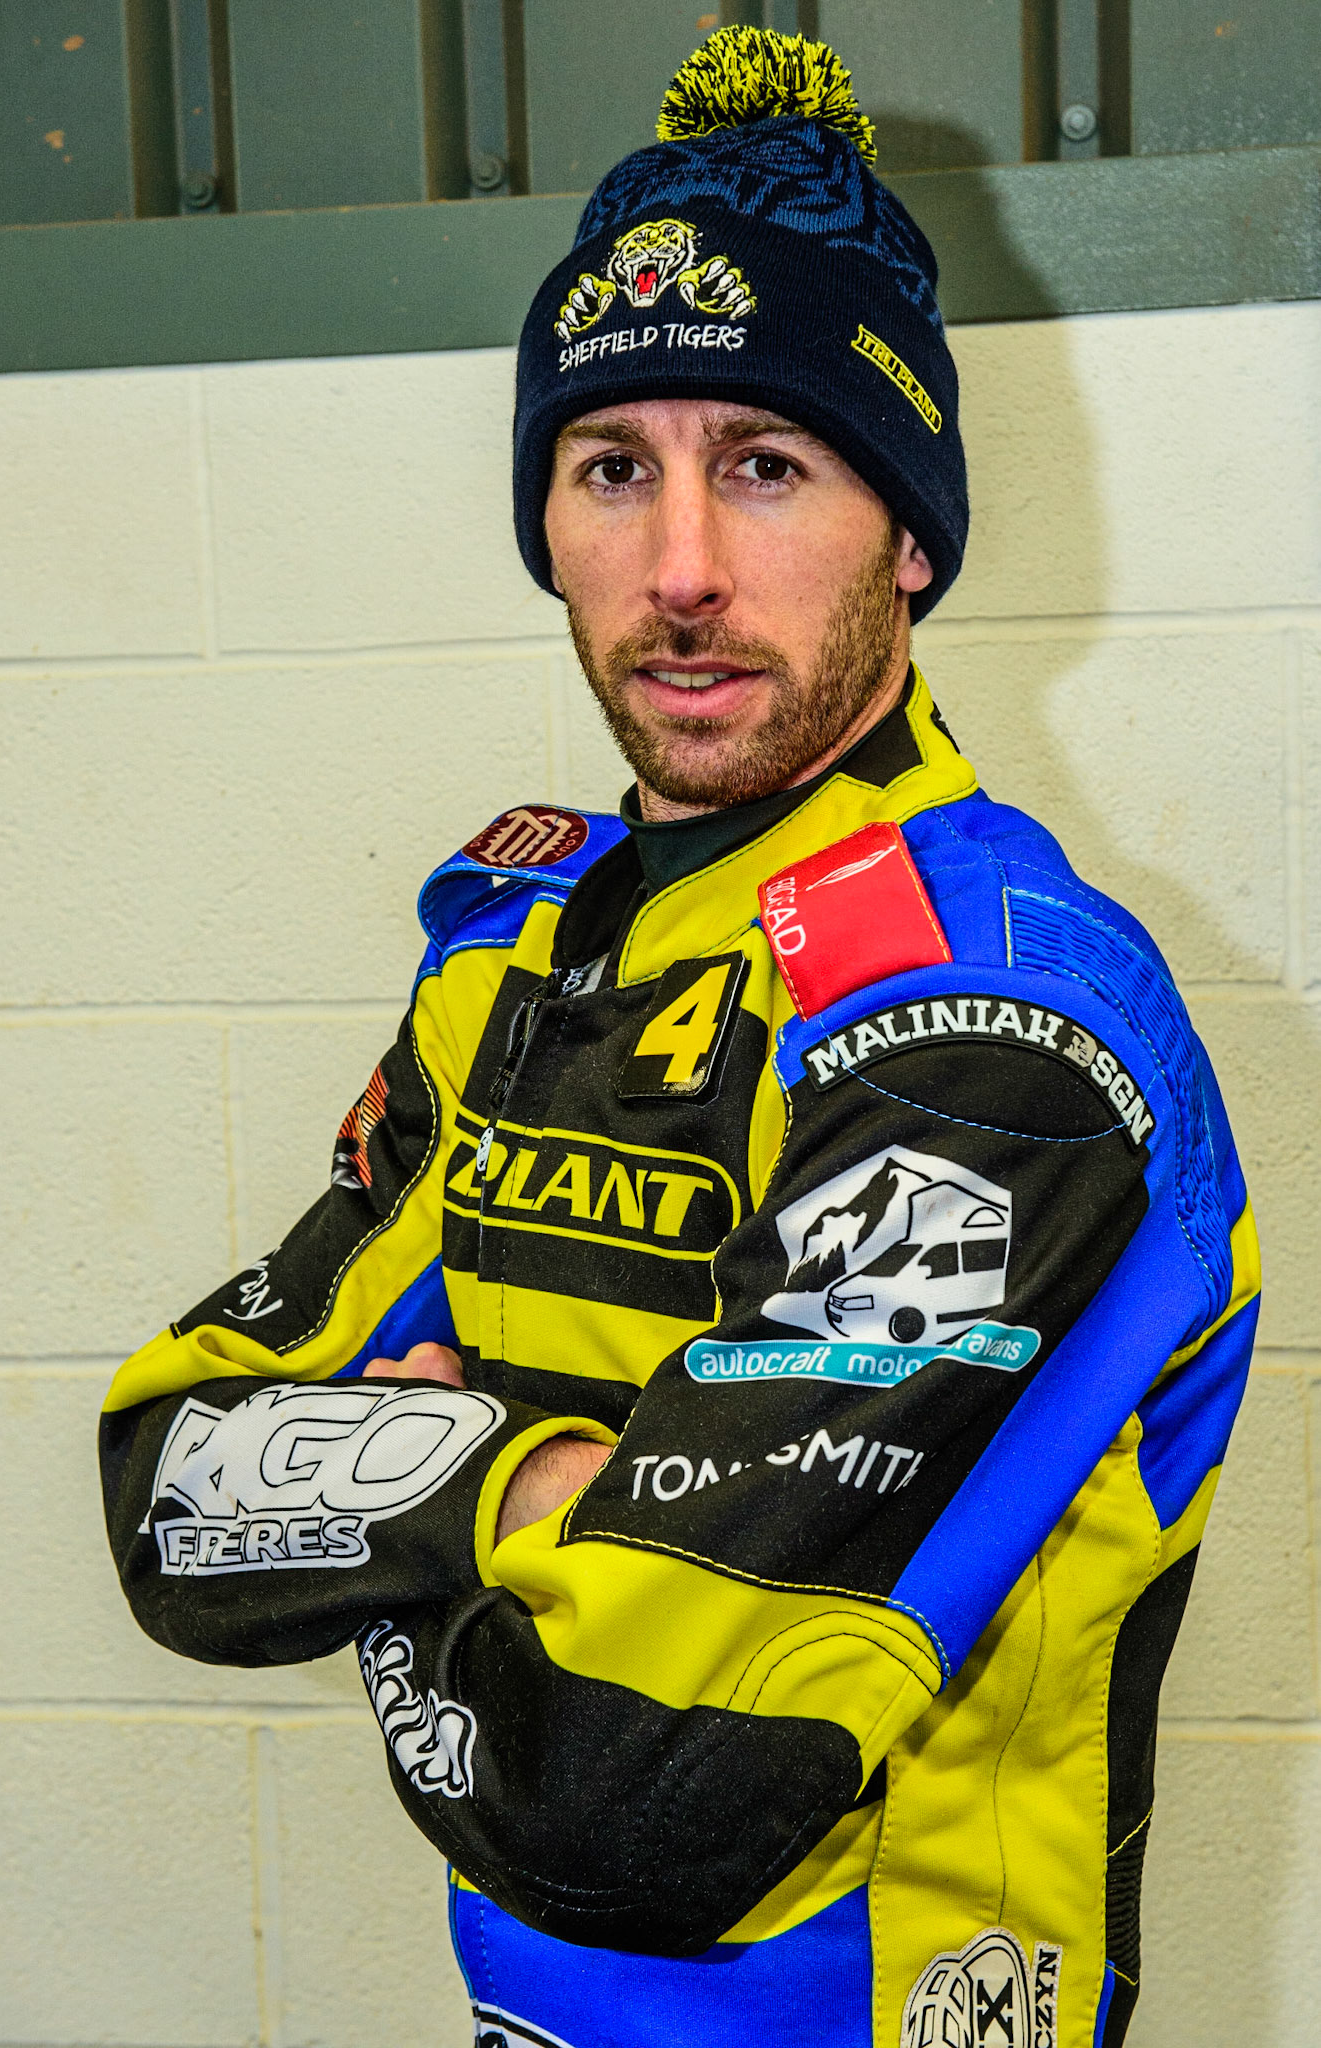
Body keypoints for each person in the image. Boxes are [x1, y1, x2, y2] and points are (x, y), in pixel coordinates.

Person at [100, 28, 1259, 2048]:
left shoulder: (1000, 1033)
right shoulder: (519, 952)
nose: (684, 567)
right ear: (546, 517)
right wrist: (524, 1486)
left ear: (908, 532)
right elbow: (167, 1479)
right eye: (613, 466)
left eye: (769, 463)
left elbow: (623, 1799)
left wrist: (385, 1511)